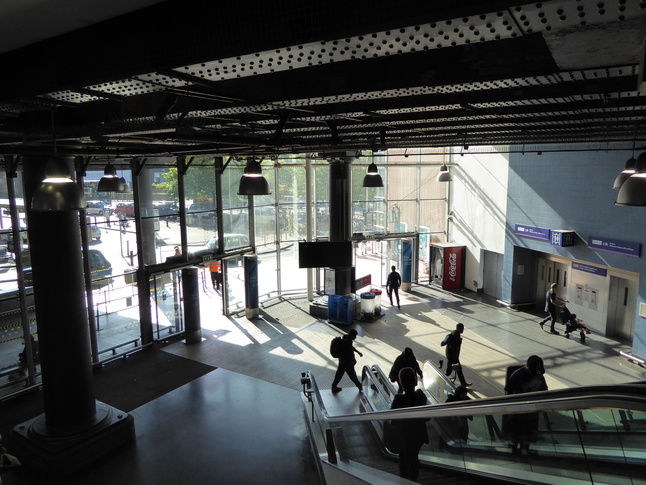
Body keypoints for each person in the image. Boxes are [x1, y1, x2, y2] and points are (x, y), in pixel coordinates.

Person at [390, 367, 429, 481]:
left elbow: (393, 419)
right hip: (418, 435)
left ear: (401, 383)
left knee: (404, 460)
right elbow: (427, 417)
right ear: (415, 381)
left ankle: (405, 480)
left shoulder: (399, 399)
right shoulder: (420, 395)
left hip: (404, 435)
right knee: (414, 457)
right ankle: (413, 479)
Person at [504, 355, 548, 454]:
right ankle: (516, 448)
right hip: (518, 411)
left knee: (528, 431)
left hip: (532, 411)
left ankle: (524, 449)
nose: (537, 374)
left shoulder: (539, 376)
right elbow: (508, 393)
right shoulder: (517, 375)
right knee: (517, 430)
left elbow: (545, 390)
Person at [331, 329, 363, 393]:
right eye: (355, 336)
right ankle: (360, 387)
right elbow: (348, 353)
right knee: (352, 375)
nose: (355, 337)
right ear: (352, 335)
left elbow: (350, 348)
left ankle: (334, 386)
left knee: (339, 374)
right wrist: (352, 361)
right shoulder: (348, 341)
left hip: (342, 361)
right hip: (347, 362)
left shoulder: (345, 339)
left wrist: (358, 352)